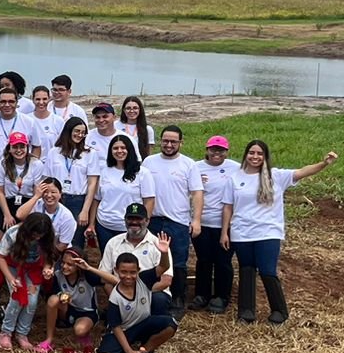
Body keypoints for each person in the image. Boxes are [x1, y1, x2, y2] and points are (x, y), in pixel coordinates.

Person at [223, 141, 338, 325]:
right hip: (242, 232)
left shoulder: (276, 176)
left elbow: (303, 171)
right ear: (245, 155)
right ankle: (246, 312)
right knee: (246, 269)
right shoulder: (235, 178)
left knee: (267, 271)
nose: (255, 157)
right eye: (251, 153)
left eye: (259, 153)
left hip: (268, 232)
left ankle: (279, 312)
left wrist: (324, 163)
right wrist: (224, 232)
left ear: (265, 156)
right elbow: (228, 207)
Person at [142, 125, 203, 317]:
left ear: (180, 143)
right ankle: (152, 298)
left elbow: (197, 193)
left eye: (173, 142)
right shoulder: (149, 162)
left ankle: (177, 300)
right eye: (166, 141)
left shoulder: (188, 164)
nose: (169, 145)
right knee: (152, 260)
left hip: (177, 221)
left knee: (178, 262)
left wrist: (196, 220)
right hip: (153, 220)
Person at [96, 253, 175, 353]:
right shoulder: (115, 297)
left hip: (144, 324)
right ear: (116, 271)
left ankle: (144, 352)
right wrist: (128, 351)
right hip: (125, 331)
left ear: (138, 270)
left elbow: (164, 266)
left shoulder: (144, 279)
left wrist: (164, 253)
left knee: (170, 324)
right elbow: (116, 327)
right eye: (123, 272)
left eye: (132, 272)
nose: (128, 276)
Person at [0, 213, 58, 352]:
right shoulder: (13, 234)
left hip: (33, 269)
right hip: (13, 267)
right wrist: (10, 278)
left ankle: (22, 333)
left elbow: (49, 257)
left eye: (40, 235)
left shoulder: (48, 237)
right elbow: (1, 257)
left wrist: (47, 269)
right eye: (35, 234)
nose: (37, 238)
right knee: (17, 297)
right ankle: (6, 332)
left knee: (32, 301)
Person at [192, 135, 239, 314]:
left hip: (225, 224)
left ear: (227, 152)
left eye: (221, 150)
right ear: (207, 150)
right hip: (202, 222)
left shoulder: (235, 168)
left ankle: (221, 296)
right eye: (213, 149)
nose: (216, 153)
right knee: (204, 259)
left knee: (223, 261)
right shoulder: (195, 167)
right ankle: (201, 294)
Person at [82, 134, 154, 249]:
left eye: (123, 148)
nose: (119, 151)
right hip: (105, 226)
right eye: (115, 148)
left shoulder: (142, 173)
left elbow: (149, 200)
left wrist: (144, 223)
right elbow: (96, 199)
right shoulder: (104, 171)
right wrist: (91, 224)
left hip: (130, 226)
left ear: (130, 150)